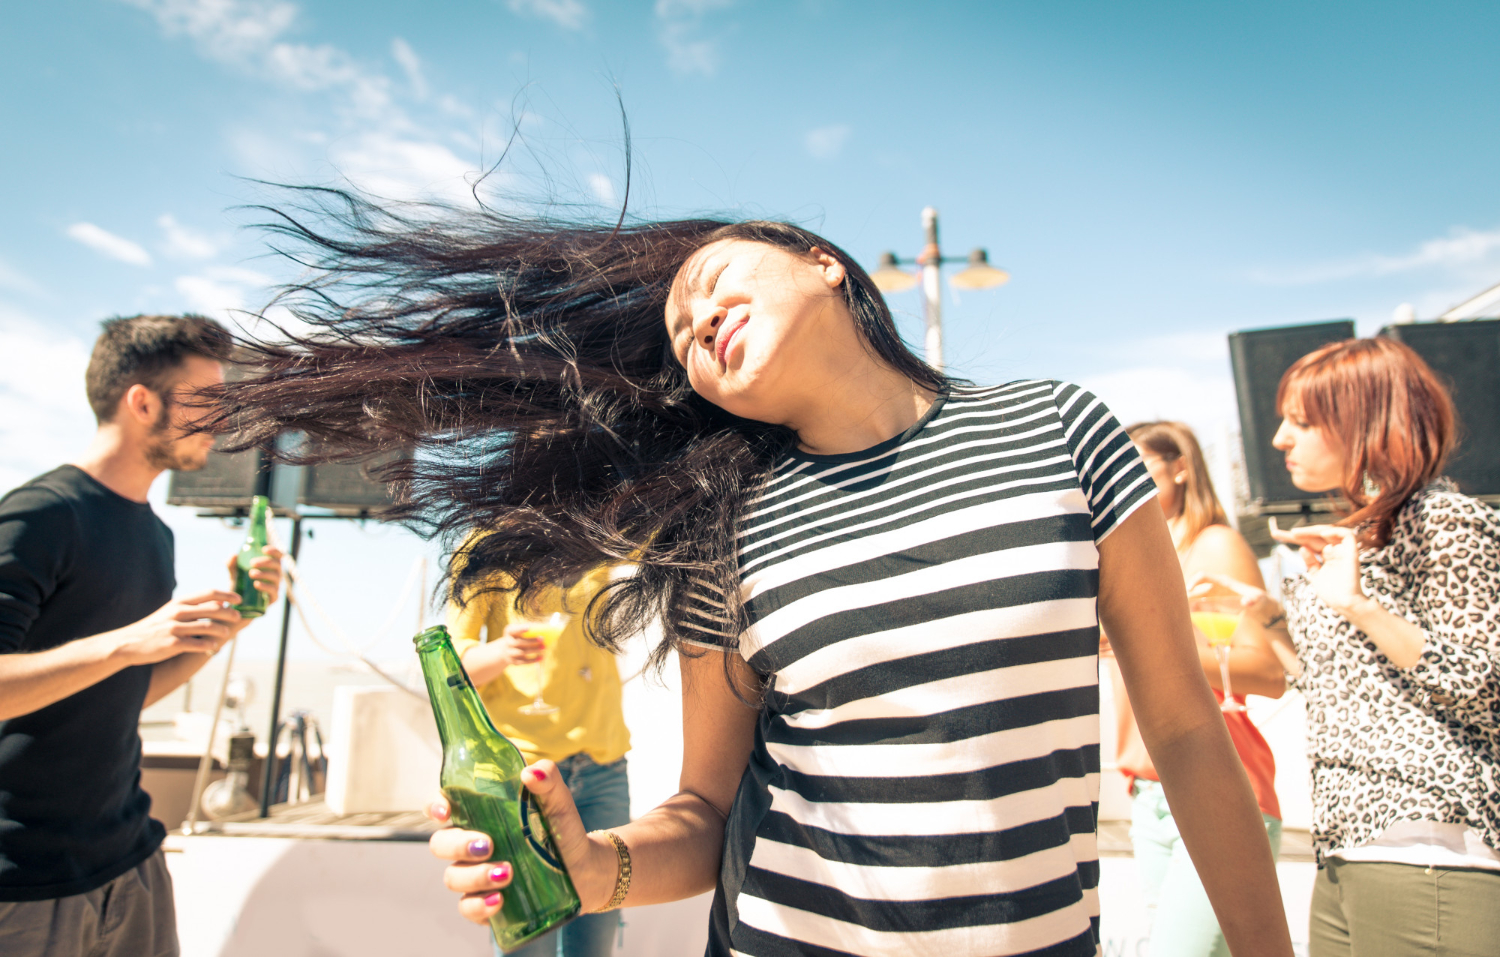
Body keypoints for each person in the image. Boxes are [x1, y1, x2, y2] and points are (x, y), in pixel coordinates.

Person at [219, 200, 1294, 957]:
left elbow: (1190, 733)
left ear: (822, 259)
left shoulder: (1056, 426)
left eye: (710, 285)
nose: (697, 325)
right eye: (682, 339)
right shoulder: (723, 531)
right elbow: (703, 808)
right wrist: (597, 869)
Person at [1201, 337, 1500, 957]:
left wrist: (1358, 606)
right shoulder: (1356, 534)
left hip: (1428, 846)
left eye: (1302, 422)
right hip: (1344, 847)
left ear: (1367, 425)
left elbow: (1484, 685)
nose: (1280, 439)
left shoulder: (1445, 520)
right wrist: (1275, 619)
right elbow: (1341, 694)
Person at [0, 315, 284, 957]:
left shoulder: (153, 534)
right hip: (25, 885)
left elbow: (121, 692)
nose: (221, 421)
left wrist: (226, 623)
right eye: (205, 401)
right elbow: (118, 654)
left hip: (130, 861)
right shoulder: (39, 516)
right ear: (142, 402)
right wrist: (128, 641)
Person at [1105, 421, 1286, 957]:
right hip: (1150, 795)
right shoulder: (1133, 554)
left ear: (1180, 467)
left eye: (1138, 467)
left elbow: (1267, 672)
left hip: (1219, 782)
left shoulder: (1213, 544)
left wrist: (1130, 638)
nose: (1122, 481)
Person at [446, 562, 631, 957]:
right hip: (522, 776)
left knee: (595, 944)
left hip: (604, 766)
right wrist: (502, 651)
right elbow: (451, 664)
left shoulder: (596, 524)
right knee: (529, 943)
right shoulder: (482, 545)